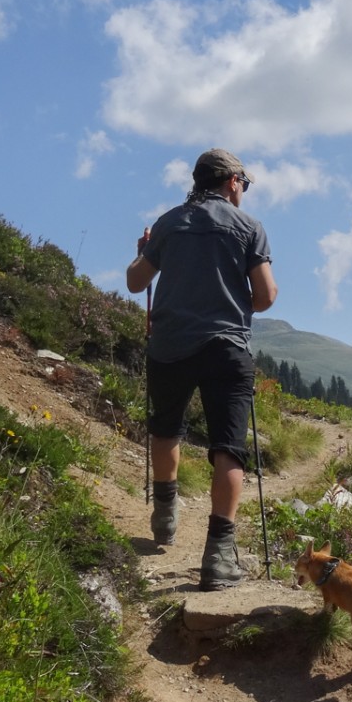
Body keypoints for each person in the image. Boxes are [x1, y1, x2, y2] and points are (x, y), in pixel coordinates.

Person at [126, 148, 278, 590]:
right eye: (243, 185)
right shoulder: (249, 228)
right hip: (226, 347)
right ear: (232, 181)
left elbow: (137, 282)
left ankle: (165, 515)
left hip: (170, 345)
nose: (243, 192)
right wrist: (231, 303)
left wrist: (143, 253)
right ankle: (218, 556)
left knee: (166, 429)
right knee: (228, 448)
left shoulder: (170, 222)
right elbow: (266, 296)